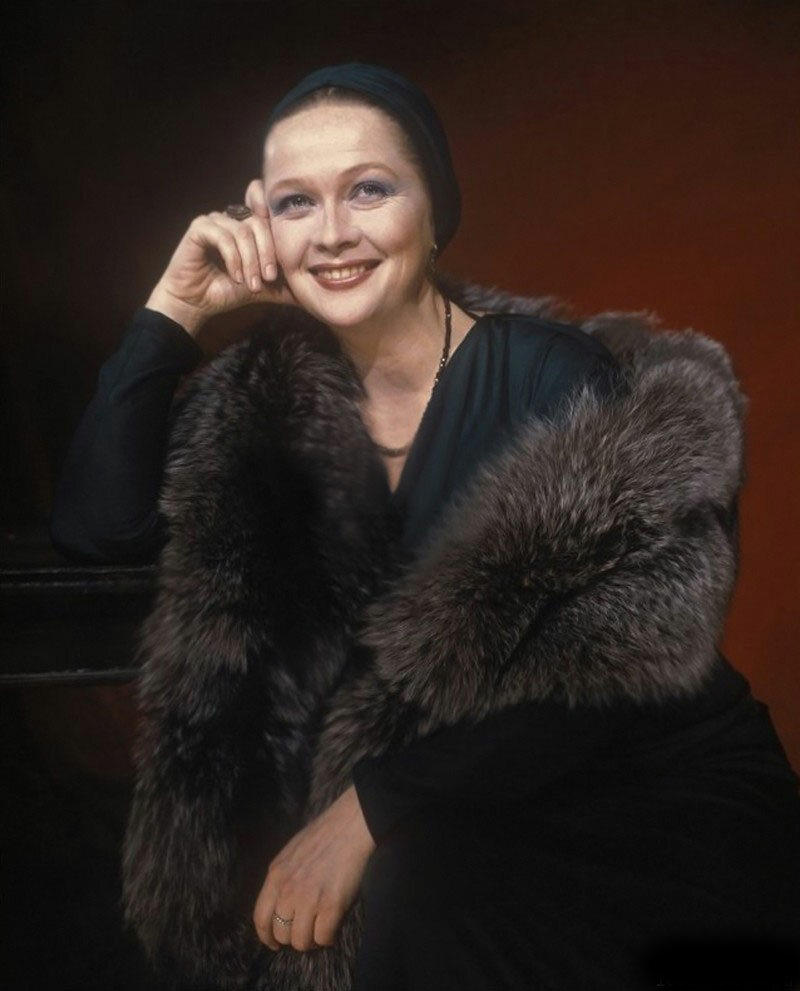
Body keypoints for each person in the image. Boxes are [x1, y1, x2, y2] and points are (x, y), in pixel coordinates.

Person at [50, 63, 800, 991]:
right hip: (446, 812)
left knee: (419, 883)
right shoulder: (259, 403)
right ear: (261, 223)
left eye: (369, 189)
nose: (333, 232)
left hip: (645, 795)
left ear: (434, 211)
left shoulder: (550, 378)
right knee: (412, 880)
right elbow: (97, 527)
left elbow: (610, 678)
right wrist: (172, 313)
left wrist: (372, 805)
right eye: (296, 202)